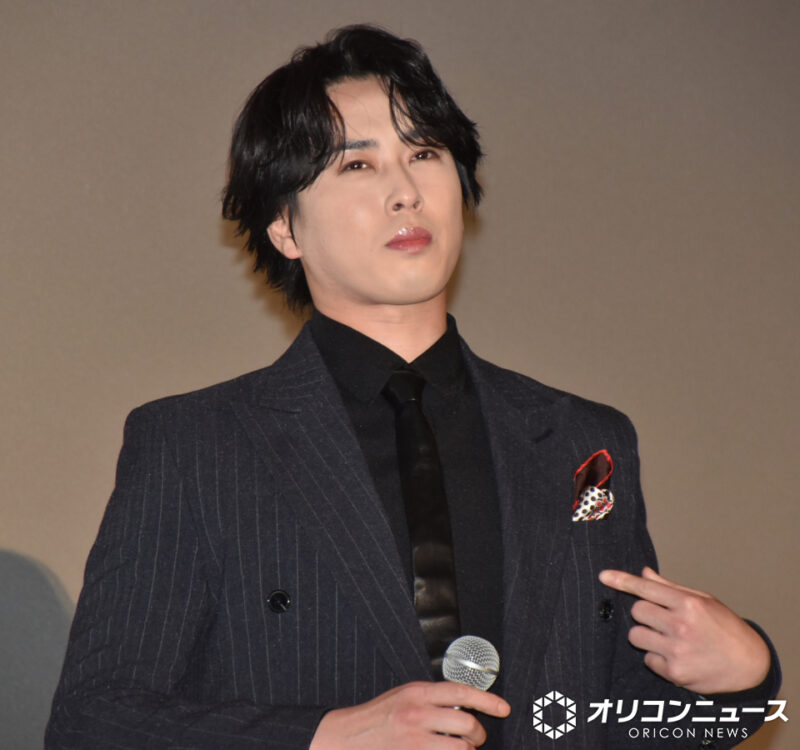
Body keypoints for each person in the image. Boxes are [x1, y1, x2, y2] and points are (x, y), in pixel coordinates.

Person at [47, 25, 780, 749]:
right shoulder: (196, 446)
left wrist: (749, 681)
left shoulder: (582, 440)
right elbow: (92, 722)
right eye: (358, 165)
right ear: (285, 229)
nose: (405, 191)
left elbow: (603, 722)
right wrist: (327, 736)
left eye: (424, 153)